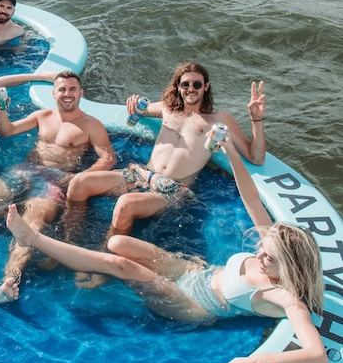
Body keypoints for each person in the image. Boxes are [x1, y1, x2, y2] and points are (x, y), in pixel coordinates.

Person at [5, 134, 328, 363]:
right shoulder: (270, 249)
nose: (259, 253)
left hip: (195, 304)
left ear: (288, 266)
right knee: (118, 243)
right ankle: (90, 266)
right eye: (263, 248)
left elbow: (317, 356)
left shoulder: (283, 297)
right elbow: (251, 197)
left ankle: (34, 240)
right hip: (192, 270)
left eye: (268, 257)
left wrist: (258, 361)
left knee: (124, 267)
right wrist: (229, 151)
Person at [0, 70, 116, 304]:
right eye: (62, 89)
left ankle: (9, 281)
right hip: (25, 171)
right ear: (54, 93)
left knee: (33, 225)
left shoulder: (92, 125)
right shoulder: (43, 115)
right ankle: (14, 218)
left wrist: (78, 177)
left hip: (55, 181)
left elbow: (108, 159)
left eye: (72, 89)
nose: (67, 93)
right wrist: (0, 113)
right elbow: (7, 131)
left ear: (81, 93)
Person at [67, 60, 266, 240]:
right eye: (185, 84)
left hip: (172, 190)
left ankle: (104, 257)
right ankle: (71, 239)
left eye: (197, 84)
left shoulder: (219, 120)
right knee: (79, 183)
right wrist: (134, 102)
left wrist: (256, 120)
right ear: (178, 87)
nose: (191, 89)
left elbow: (255, 157)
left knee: (125, 205)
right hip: (140, 175)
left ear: (206, 87)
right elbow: (139, 108)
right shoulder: (167, 109)